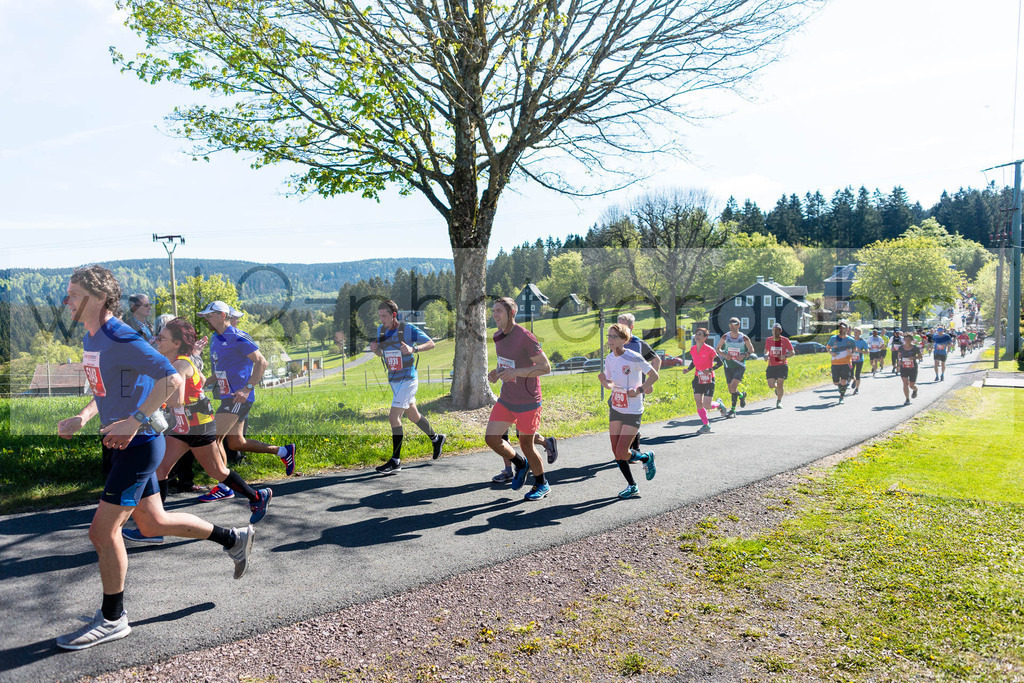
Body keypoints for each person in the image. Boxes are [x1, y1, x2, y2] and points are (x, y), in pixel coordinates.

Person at [55, 266, 253, 651]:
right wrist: (83, 416)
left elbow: (172, 380)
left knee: (101, 532)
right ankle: (233, 538)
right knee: (152, 523)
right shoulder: (93, 337)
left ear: (97, 299)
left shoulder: (120, 336)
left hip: (139, 443)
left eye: (74, 294)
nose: (67, 301)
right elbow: (108, 391)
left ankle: (113, 619)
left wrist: (135, 419)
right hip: (123, 441)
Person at [122, 318, 273, 544]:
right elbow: (200, 380)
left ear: (176, 343)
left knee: (218, 471)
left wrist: (154, 401)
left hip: (198, 426)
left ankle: (257, 496)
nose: (157, 341)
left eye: (161, 338)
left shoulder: (180, 364)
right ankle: (153, 527)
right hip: (182, 426)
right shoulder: (177, 361)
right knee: (161, 469)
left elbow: (177, 399)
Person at [199, 301, 295, 502]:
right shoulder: (215, 339)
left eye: (210, 315)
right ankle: (284, 451)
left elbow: (262, 362)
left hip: (238, 397)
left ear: (222, 315)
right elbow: (220, 371)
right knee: (236, 443)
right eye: (206, 316)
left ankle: (224, 486)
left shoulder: (237, 336)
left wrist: (247, 388)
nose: (206, 319)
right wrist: (202, 384)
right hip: (227, 395)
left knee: (214, 438)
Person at [484, 297, 553, 501]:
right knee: (492, 438)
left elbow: (545, 367)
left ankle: (542, 484)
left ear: (511, 313)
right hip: (507, 399)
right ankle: (520, 464)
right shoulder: (498, 336)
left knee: (526, 445)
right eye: (493, 311)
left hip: (528, 401)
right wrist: (497, 372)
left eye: (499, 311)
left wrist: (516, 373)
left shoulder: (525, 337)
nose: (494, 315)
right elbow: (507, 363)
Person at [370, 299, 446, 473]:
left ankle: (395, 460)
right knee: (413, 415)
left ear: (393, 315)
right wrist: (375, 349)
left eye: (384, 316)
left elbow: (431, 343)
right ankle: (436, 439)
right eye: (379, 316)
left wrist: (414, 350)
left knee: (393, 417)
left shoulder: (407, 329)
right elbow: (384, 354)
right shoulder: (381, 330)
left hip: (408, 379)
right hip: (394, 380)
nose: (381, 319)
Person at [598, 323, 658, 499]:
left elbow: (654, 375)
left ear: (624, 340)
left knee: (623, 451)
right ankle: (632, 486)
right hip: (616, 407)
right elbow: (610, 384)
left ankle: (646, 457)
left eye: (614, 337)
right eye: (608, 336)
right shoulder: (609, 359)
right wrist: (604, 382)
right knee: (616, 451)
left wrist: (639, 390)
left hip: (633, 409)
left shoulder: (634, 357)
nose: (610, 340)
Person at [616, 312, 660, 460]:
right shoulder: (616, 342)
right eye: (618, 324)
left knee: (630, 418)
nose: (619, 328)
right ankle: (630, 450)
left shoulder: (638, 343)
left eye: (623, 325)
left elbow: (656, 361)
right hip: (620, 389)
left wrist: (648, 383)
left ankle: (635, 449)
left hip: (636, 389)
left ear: (631, 327)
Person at [680, 328, 725, 433]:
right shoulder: (693, 349)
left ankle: (719, 404)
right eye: (696, 334)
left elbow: (720, 363)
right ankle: (706, 425)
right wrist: (688, 369)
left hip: (709, 379)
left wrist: (709, 370)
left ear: (705, 338)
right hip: (697, 378)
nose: (697, 336)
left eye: (700, 334)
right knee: (698, 401)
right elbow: (694, 362)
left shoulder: (710, 350)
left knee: (707, 405)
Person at [715, 318, 754, 417]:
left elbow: (751, 349)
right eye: (731, 325)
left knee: (733, 387)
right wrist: (724, 355)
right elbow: (718, 348)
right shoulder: (725, 336)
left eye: (735, 325)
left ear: (738, 325)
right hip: (728, 365)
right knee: (731, 390)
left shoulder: (743, 337)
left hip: (739, 365)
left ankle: (732, 410)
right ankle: (741, 395)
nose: (733, 327)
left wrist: (744, 355)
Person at [763, 323, 794, 408]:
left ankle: (779, 401)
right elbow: (766, 351)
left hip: (782, 365)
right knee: (771, 385)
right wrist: (766, 356)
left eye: (776, 330)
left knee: (780, 384)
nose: (774, 332)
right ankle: (777, 388)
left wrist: (785, 356)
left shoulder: (785, 340)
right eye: (773, 330)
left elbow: (792, 353)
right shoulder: (768, 340)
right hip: (771, 365)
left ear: (780, 331)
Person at [825, 321, 856, 404]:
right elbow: (827, 348)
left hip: (846, 363)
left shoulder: (850, 340)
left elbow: (854, 350)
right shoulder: (833, 338)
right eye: (840, 328)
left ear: (847, 329)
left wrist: (851, 352)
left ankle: (841, 396)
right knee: (836, 382)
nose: (841, 330)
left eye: (843, 328)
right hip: (835, 363)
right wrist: (831, 352)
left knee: (844, 380)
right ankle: (841, 387)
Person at [897, 331, 923, 405]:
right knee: (905, 382)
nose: (907, 341)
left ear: (912, 340)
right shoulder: (901, 348)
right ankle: (907, 399)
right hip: (904, 367)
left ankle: (915, 389)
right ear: (904, 340)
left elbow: (920, 356)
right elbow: (899, 355)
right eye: (906, 339)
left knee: (911, 385)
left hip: (913, 367)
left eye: (909, 340)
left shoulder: (915, 348)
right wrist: (899, 361)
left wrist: (914, 357)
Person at [851, 327, 869, 395]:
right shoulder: (851, 340)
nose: (855, 333)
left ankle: (857, 389)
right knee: (850, 374)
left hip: (859, 360)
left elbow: (867, 352)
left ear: (860, 333)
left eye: (857, 332)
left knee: (857, 374)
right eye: (854, 332)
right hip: (851, 359)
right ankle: (854, 380)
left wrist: (860, 351)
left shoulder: (862, 341)